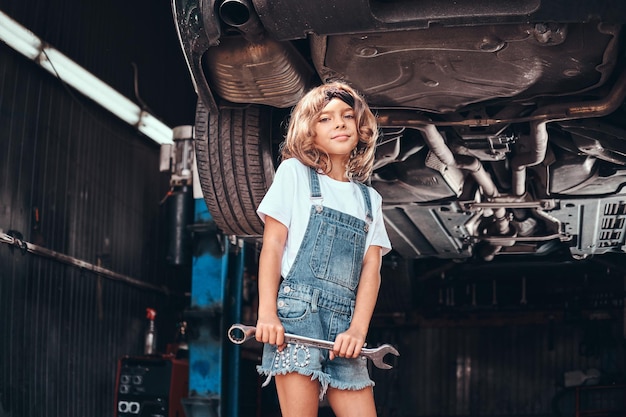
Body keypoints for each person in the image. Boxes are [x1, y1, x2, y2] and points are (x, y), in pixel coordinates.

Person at [254, 81, 392, 417]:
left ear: (360, 129)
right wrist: (267, 313)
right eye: (325, 119)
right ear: (309, 132)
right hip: (297, 319)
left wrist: (358, 329)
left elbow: (371, 272)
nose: (340, 123)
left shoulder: (369, 200)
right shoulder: (294, 174)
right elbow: (272, 245)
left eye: (347, 116)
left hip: (345, 328)